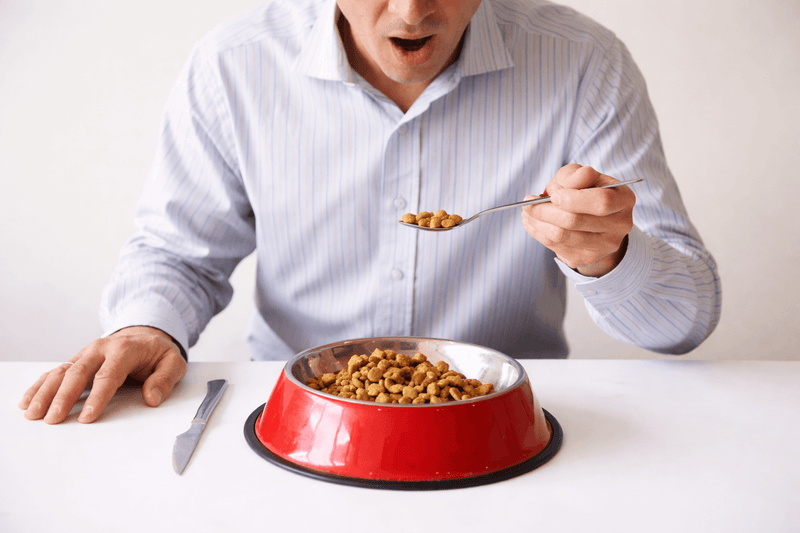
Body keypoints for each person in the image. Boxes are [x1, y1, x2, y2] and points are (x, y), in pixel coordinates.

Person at [20, 0, 721, 424]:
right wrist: (150, 325)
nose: (414, 12)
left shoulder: (583, 63)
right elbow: (178, 254)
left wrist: (609, 256)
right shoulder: (234, 66)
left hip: (504, 428)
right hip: (293, 415)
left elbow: (682, 325)